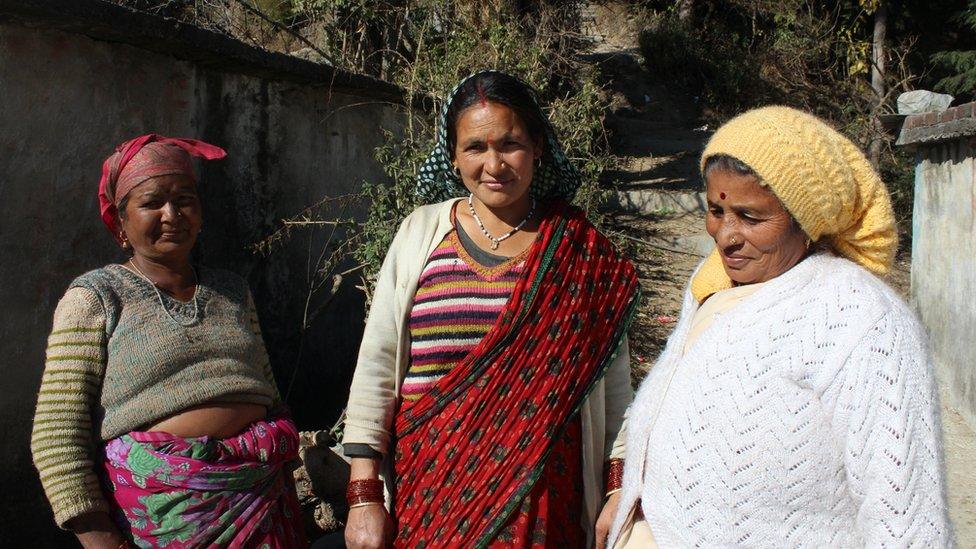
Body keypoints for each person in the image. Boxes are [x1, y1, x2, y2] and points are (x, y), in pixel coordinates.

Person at [608, 106, 952, 548]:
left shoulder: (861, 320)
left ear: (807, 220)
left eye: (751, 217)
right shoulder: (711, 282)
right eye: (715, 210)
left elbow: (906, 522)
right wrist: (627, 494)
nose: (725, 235)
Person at [340, 71, 640, 548]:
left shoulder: (580, 252)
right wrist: (363, 496)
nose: (494, 164)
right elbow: (376, 368)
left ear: (538, 146)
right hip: (431, 495)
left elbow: (619, 396)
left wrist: (620, 491)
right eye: (475, 147)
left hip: (544, 502)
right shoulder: (422, 234)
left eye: (511, 144)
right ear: (454, 156)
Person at [30, 134, 306, 548]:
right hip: (164, 516)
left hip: (260, 499)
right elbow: (56, 432)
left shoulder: (232, 290)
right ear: (121, 222)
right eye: (152, 202)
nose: (172, 213)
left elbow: (267, 389)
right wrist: (99, 538)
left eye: (185, 199)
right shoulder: (95, 298)